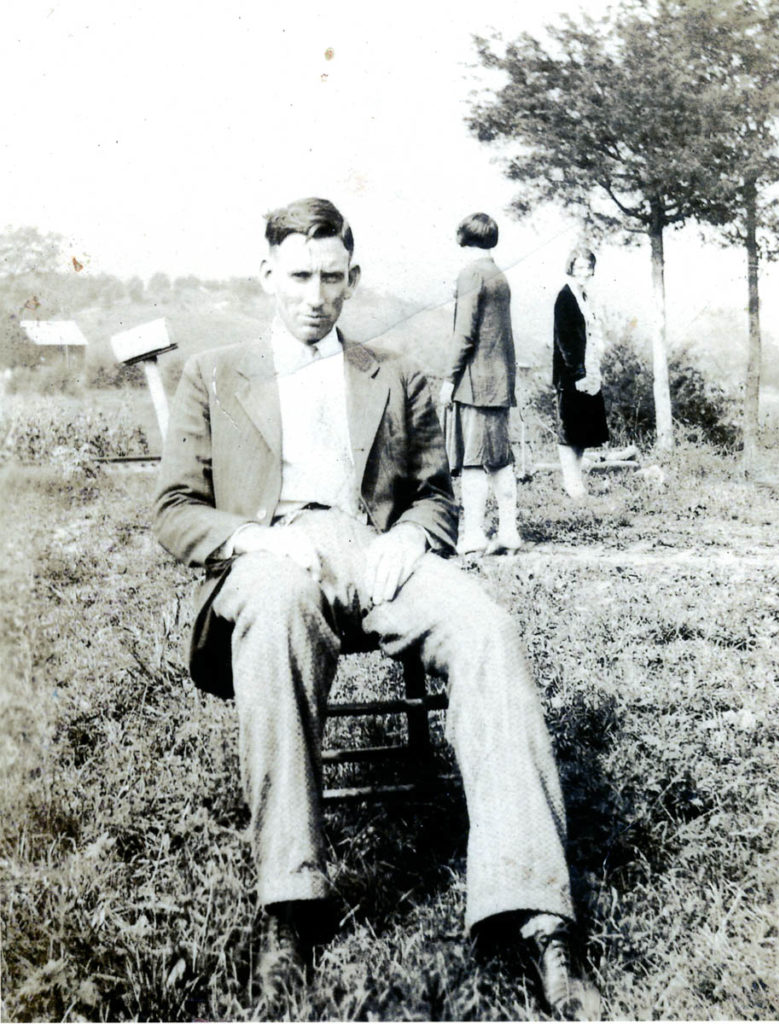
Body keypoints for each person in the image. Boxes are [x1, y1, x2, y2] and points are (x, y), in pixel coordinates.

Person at [154, 198, 596, 1019]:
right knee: (282, 605)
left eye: (331, 277)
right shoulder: (212, 374)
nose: (315, 296)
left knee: (486, 629)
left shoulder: (393, 372)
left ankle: (537, 912)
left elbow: (434, 498)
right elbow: (176, 509)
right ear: (266, 275)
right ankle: (290, 904)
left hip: (376, 550)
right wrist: (255, 541)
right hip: (273, 554)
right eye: (298, 277)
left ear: (352, 277)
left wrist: (414, 538)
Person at [439, 213, 521, 555]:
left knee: (473, 461)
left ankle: (473, 534)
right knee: (500, 458)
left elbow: (464, 334)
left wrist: (448, 378)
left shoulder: (470, 273)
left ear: (464, 239)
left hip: (476, 382)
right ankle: (508, 531)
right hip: (501, 381)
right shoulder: (499, 275)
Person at [553, 247, 609, 500]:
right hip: (572, 375)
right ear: (571, 268)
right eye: (580, 267)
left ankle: (577, 483)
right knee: (569, 432)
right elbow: (565, 340)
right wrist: (577, 374)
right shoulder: (565, 297)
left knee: (582, 433)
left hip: (588, 371)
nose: (584, 272)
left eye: (588, 267)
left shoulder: (584, 296)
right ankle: (571, 483)